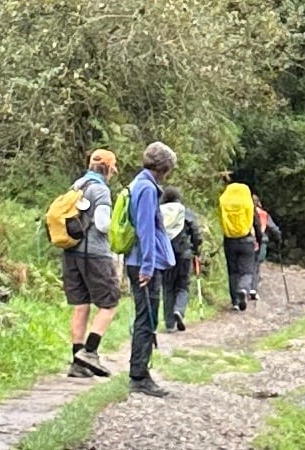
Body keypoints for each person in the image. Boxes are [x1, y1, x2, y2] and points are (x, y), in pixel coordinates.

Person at [124, 141, 177, 397]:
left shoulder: (140, 183)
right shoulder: (146, 188)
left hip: (141, 261)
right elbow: (145, 228)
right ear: (164, 167)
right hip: (144, 263)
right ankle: (138, 376)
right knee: (146, 319)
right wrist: (147, 266)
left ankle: (141, 372)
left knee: (146, 317)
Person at [64, 149, 121, 379]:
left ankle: (77, 362)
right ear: (108, 169)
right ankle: (90, 351)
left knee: (81, 304)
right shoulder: (101, 190)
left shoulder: (76, 186)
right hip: (95, 254)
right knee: (110, 302)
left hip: (70, 252)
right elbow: (102, 224)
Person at [159, 186, 203, 332]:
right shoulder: (185, 211)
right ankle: (179, 310)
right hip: (184, 253)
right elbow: (195, 232)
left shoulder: (159, 211)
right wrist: (196, 250)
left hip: (165, 255)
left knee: (167, 287)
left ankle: (169, 324)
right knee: (183, 286)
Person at [218, 182, 262, 311]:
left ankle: (235, 302)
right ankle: (243, 289)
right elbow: (257, 224)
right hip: (246, 240)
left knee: (233, 272)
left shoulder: (224, 205)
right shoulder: (247, 205)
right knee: (247, 271)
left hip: (229, 240)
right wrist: (259, 239)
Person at [251, 194, 281, 301]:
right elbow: (273, 228)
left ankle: (245, 287)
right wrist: (278, 238)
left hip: (247, 240)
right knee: (256, 265)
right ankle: (253, 289)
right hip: (261, 241)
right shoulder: (263, 214)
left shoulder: (244, 212)